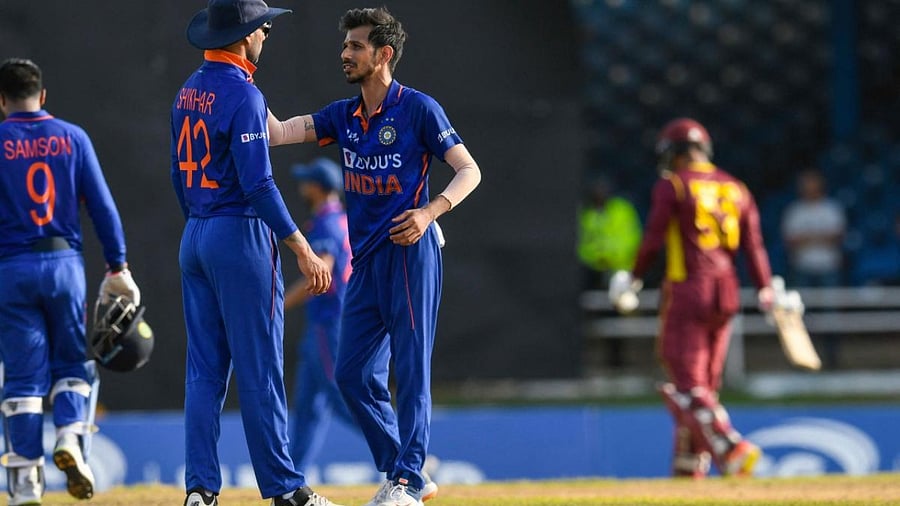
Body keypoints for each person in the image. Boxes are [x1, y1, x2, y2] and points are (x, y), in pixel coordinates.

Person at [267, 7, 481, 505]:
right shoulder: (343, 116)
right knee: (351, 374)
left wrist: (430, 212)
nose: (345, 53)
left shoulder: (419, 109)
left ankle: (406, 479)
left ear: (383, 55)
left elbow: (469, 170)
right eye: (345, 46)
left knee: (410, 368)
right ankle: (406, 471)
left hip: (411, 252)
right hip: (364, 264)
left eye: (356, 46)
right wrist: (243, 84)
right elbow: (280, 132)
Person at [171, 2, 340, 506]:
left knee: (204, 371)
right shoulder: (243, 93)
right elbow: (259, 183)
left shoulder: (186, 90)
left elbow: (180, 178)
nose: (267, 34)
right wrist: (302, 247)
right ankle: (287, 491)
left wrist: (200, 225)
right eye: (264, 27)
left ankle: (200, 492)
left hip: (196, 232)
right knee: (260, 366)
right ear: (245, 36)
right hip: (237, 235)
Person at [0, 58, 140, 504]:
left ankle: (24, 486)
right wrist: (118, 265)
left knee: (22, 379)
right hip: (64, 266)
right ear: (42, 97)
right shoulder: (72, 138)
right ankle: (69, 439)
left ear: (1, 102)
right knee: (72, 364)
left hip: (11, 269)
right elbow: (103, 208)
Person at [608, 118, 774, 479]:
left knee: (686, 384)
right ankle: (688, 467)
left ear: (676, 152)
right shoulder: (736, 187)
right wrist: (765, 287)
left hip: (688, 289)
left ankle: (731, 446)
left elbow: (653, 237)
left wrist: (633, 279)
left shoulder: (674, 186)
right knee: (704, 389)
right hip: (726, 292)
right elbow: (754, 245)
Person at [284, 157, 355, 474]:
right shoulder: (340, 218)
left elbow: (321, 270)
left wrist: (281, 303)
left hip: (330, 322)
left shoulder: (326, 223)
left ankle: (406, 458)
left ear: (318, 188)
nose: (303, 186)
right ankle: (292, 479)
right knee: (309, 406)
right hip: (325, 323)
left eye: (307, 181)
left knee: (342, 398)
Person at [781, 168, 846, 288]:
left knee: (831, 305)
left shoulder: (831, 209)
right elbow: (790, 241)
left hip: (829, 266)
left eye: (812, 182)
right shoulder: (794, 211)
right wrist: (821, 237)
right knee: (801, 305)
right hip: (802, 267)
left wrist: (807, 238)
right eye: (805, 183)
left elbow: (837, 238)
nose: (809, 186)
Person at [577, 175, 642, 291]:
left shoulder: (622, 209)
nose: (600, 192)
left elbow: (633, 240)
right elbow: (583, 249)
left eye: (603, 188)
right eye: (597, 189)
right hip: (597, 272)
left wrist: (611, 258)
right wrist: (599, 259)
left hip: (625, 269)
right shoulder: (587, 217)